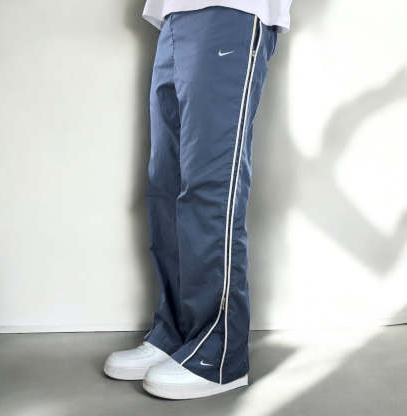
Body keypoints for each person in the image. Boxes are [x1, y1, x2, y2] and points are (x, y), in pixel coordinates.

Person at [104, 0, 293, 400]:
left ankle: (218, 355)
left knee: (211, 185)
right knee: (166, 186)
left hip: (232, 10)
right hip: (173, 14)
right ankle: (175, 333)